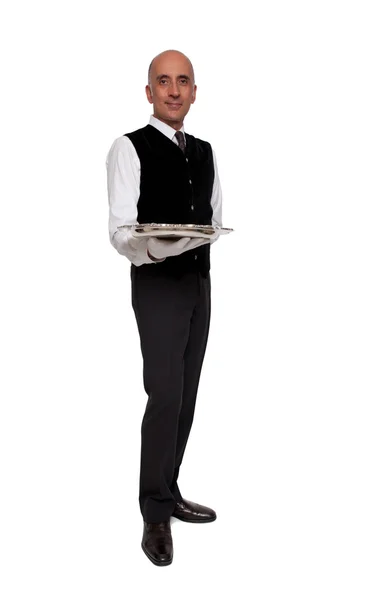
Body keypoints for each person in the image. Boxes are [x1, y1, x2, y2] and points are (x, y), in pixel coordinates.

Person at [105, 49, 224, 567]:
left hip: (199, 283)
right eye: (163, 81)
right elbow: (120, 232)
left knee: (188, 395)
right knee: (165, 394)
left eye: (183, 81)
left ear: (194, 92)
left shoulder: (205, 150)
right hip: (156, 283)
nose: (174, 90)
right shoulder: (127, 148)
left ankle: (169, 489)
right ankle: (153, 512)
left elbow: (215, 220)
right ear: (149, 91)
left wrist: (197, 246)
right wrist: (164, 246)